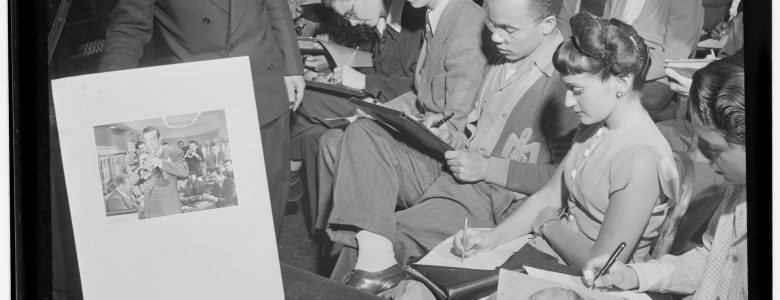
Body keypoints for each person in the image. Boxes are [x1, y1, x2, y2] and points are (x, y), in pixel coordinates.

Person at [325, 0, 580, 294]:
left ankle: (362, 272)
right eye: (492, 25)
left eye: (508, 30)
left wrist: (486, 167)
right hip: (459, 172)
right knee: (363, 133)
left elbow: (565, 183)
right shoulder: (503, 58)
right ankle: (375, 263)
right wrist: (449, 135)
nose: (496, 37)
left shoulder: (565, 85)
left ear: (547, 26)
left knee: (374, 236)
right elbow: (474, 135)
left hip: (497, 200)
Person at [453, 12, 679, 270]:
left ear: (622, 83)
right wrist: (492, 238)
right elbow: (548, 197)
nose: (569, 102)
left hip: (591, 283)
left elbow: (600, 265)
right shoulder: (595, 128)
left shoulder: (642, 158)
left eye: (577, 90)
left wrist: (549, 225)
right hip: (553, 257)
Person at [98, 0, 305, 236]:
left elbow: (275, 5)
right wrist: (107, 92)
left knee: (269, 204)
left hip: (264, 82)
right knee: (219, 227)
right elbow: (129, 27)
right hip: (204, 93)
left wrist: (292, 66)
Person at [316, 0, 490, 241]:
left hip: (445, 162)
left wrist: (389, 122)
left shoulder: (467, 22)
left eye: (352, 13)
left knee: (359, 135)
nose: (352, 23)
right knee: (332, 139)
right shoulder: (434, 16)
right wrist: (379, 112)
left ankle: (365, 253)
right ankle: (340, 246)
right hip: (428, 138)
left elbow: (454, 126)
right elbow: (422, 95)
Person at [582, 52, 746, 300]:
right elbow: (711, 260)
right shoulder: (739, 187)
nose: (700, 157)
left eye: (714, 149)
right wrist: (635, 275)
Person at [290, 0, 428, 234]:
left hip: (395, 108)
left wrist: (363, 81)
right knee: (314, 137)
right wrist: (337, 73)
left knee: (302, 99)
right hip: (377, 97)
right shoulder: (387, 20)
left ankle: (288, 172)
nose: (352, 22)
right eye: (347, 17)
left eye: (352, 13)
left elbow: (416, 89)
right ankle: (324, 239)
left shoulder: (414, 19)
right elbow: (382, 69)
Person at [603, 0, 704, 122]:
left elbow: (673, 59)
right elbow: (602, 31)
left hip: (653, 78)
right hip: (610, 67)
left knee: (593, 96)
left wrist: (619, 69)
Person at [129, 126, 189, 218]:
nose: (150, 143)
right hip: (150, 209)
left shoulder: (174, 153)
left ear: (159, 138)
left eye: (152, 139)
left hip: (169, 207)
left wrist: (161, 163)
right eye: (147, 140)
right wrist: (140, 167)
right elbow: (132, 182)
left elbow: (184, 171)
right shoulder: (144, 157)